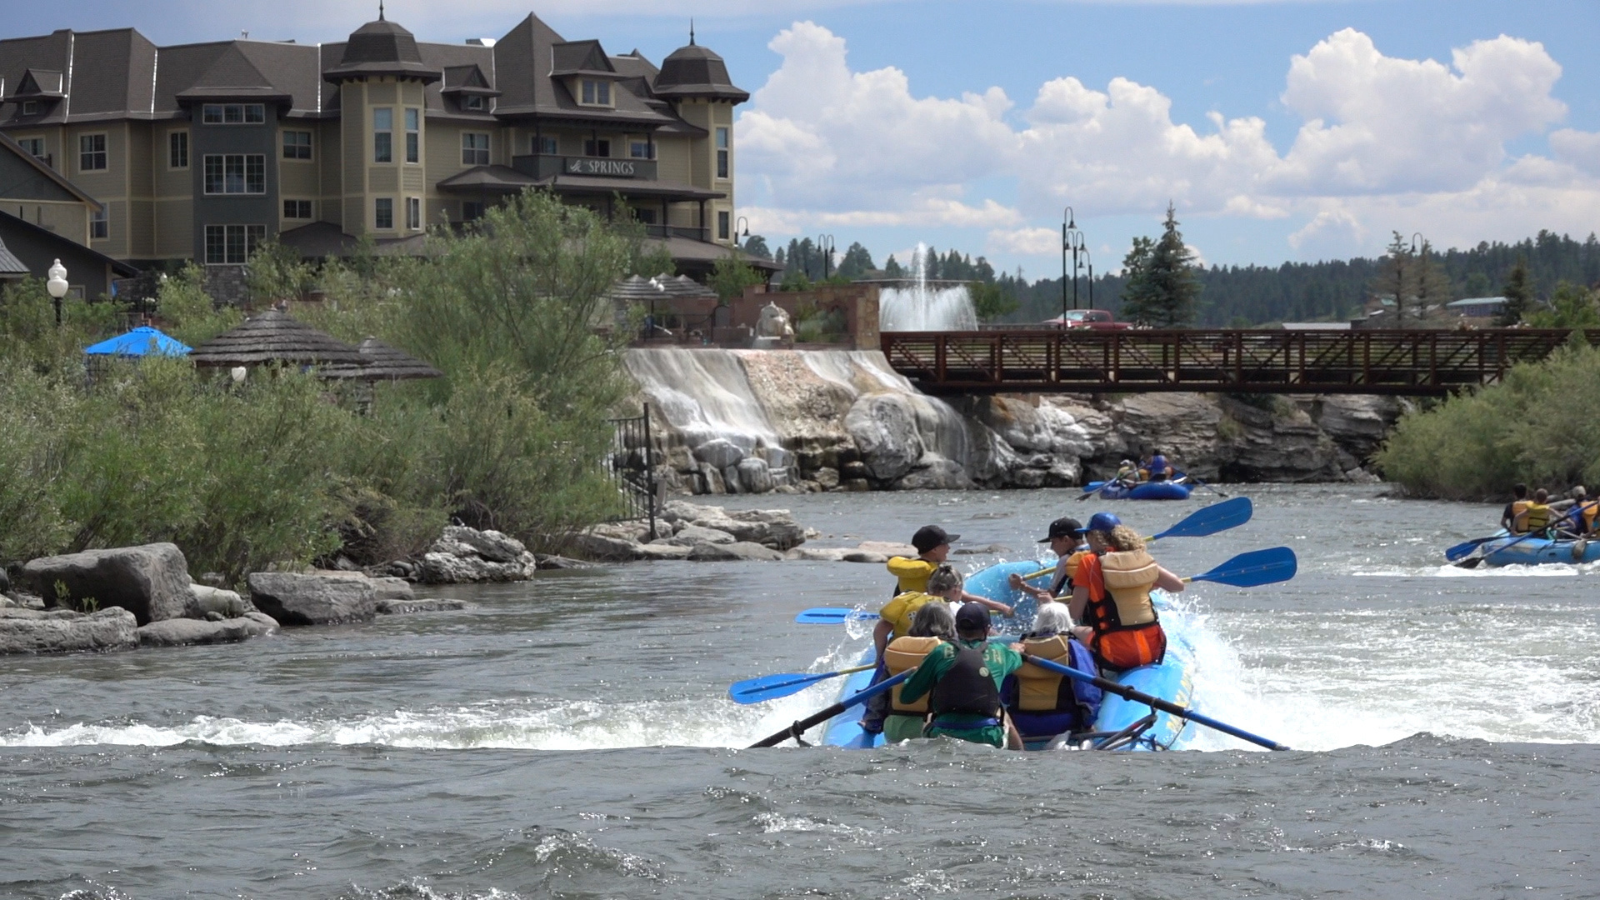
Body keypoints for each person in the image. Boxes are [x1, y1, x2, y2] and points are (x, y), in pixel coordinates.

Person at [897, 603, 1024, 749]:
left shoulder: (940, 652)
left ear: (956, 628)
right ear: (987, 630)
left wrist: (913, 676)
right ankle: (1021, 759)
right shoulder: (1001, 653)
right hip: (986, 735)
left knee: (930, 717)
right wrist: (1016, 650)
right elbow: (1016, 659)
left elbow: (906, 697)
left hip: (943, 733)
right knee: (1003, 715)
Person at [1069, 513, 1185, 672]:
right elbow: (1177, 586)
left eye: (1086, 535)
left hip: (1115, 654)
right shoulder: (1141, 558)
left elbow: (1074, 613)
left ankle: (1091, 688)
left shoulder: (1088, 562)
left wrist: (1050, 604)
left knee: (1071, 629)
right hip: (1153, 649)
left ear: (1094, 537)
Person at [861, 565, 969, 735]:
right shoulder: (955, 608)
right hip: (939, 658)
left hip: (901, 655)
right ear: (956, 590)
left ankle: (872, 719)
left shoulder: (906, 599)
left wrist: (880, 657)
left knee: (882, 680)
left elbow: (880, 630)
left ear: (928, 585)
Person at [1002, 604, 1103, 746]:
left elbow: (1005, 694)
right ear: (1067, 620)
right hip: (1063, 721)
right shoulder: (1073, 646)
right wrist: (1088, 723)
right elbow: (1087, 689)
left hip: (1023, 722)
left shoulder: (1020, 647)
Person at [886, 525, 1014, 616]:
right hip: (933, 620)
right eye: (945, 544)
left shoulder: (911, 568)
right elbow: (964, 597)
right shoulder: (935, 572)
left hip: (909, 618)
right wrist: (1000, 606)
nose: (948, 548)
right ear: (934, 549)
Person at [879, 602, 958, 743]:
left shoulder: (897, 647)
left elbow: (880, 692)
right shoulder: (948, 652)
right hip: (929, 727)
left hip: (894, 729)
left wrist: (872, 722)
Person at [1009, 516, 1089, 603]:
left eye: (1053, 542)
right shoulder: (1093, 550)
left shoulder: (1066, 560)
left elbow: (1050, 596)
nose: (1051, 547)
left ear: (1066, 540)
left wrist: (1022, 586)